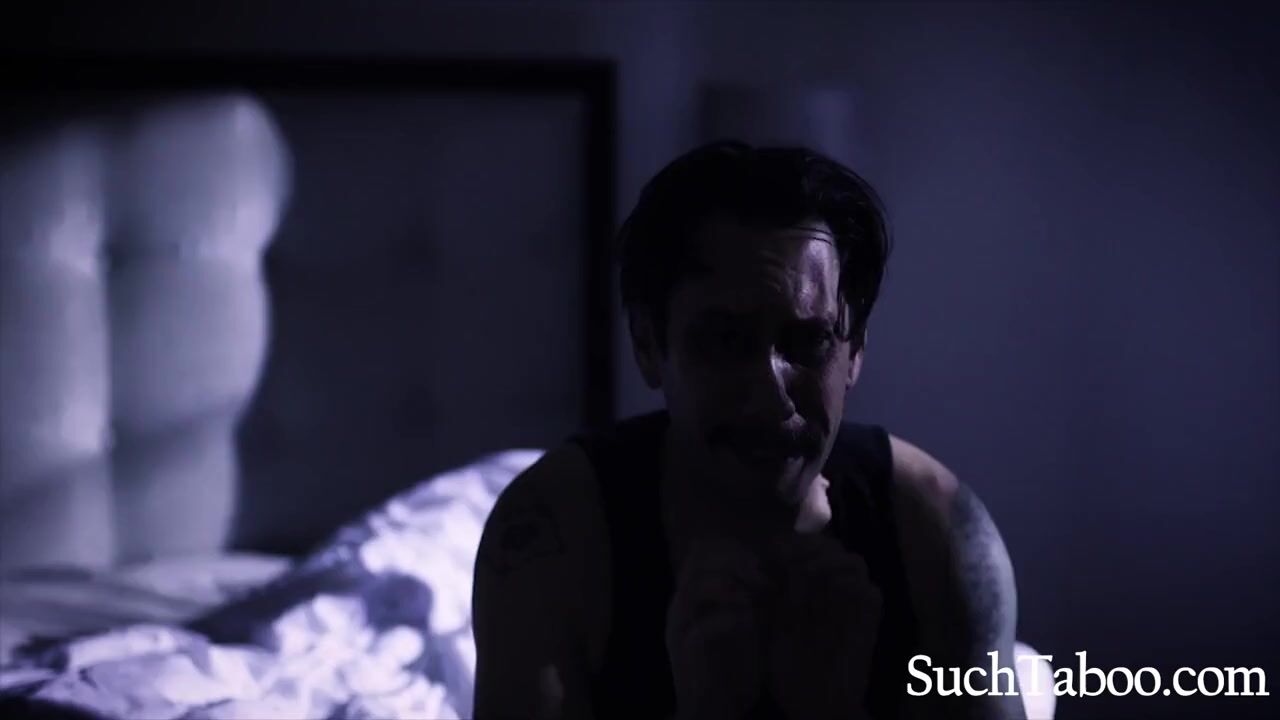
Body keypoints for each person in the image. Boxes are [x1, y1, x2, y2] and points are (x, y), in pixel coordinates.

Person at [471, 141, 1025, 720]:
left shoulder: (933, 530)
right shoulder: (558, 539)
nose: (768, 395)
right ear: (649, 346)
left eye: (809, 342)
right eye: (724, 342)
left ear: (855, 350)